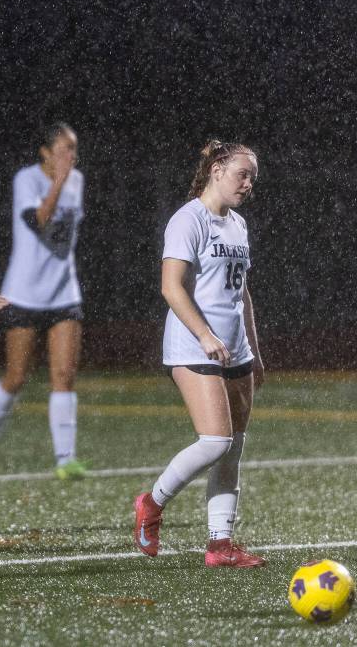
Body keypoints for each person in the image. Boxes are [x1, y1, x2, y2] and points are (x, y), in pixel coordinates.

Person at [133, 140, 265, 568]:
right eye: (242, 174)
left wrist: (254, 349)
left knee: (234, 448)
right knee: (215, 441)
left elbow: (240, 291)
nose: (248, 183)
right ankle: (152, 503)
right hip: (194, 345)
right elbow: (170, 287)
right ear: (216, 170)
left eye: (252, 177)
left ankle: (220, 545)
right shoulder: (188, 219)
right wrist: (206, 334)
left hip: (236, 349)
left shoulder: (238, 225)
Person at [0, 122, 88, 479]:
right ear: (45, 152)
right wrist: (58, 181)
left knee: (64, 376)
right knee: (16, 376)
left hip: (63, 293)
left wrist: (68, 177)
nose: (71, 156)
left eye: (74, 149)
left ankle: (65, 459)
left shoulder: (77, 180)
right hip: (23, 294)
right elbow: (39, 220)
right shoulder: (27, 179)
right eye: (64, 149)